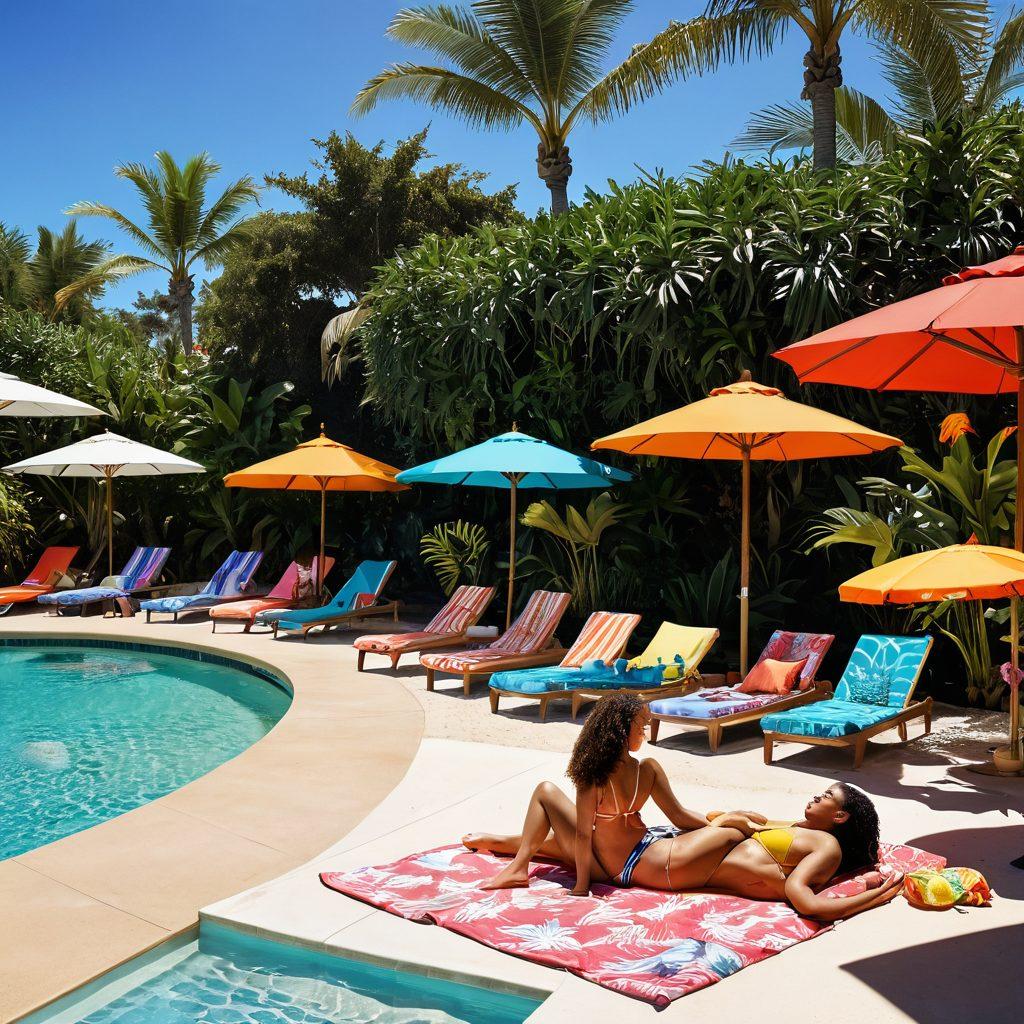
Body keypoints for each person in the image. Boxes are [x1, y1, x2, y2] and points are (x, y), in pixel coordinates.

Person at [464, 694, 903, 921]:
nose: (815, 797)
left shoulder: (825, 847)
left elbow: (802, 899)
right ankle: (505, 846)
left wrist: (869, 895)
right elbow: (685, 821)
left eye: (826, 797)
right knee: (568, 842)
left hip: (653, 860)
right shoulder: (802, 830)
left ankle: (515, 856)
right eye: (644, 724)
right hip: (653, 853)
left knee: (562, 814)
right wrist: (729, 820)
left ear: (840, 818)